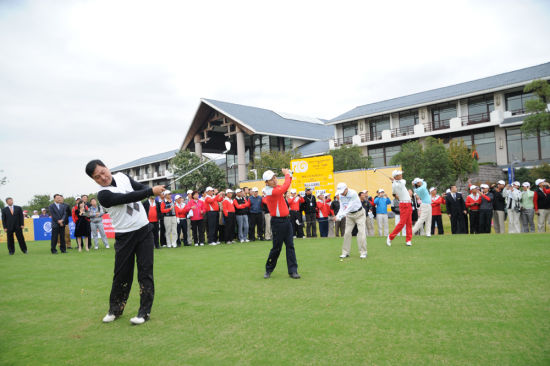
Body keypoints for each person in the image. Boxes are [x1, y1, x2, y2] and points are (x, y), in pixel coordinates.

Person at [86, 159, 161, 325]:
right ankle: (115, 309)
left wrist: (151, 191)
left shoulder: (122, 177)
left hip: (144, 231)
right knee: (121, 274)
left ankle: (144, 312)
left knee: (145, 272)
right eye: (97, 177)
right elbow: (127, 197)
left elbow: (139, 188)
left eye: (103, 172)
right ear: (94, 180)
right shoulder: (103, 195)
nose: (103, 177)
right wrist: (150, 191)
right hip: (124, 236)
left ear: (107, 167)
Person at [262, 169, 300, 279]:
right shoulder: (270, 191)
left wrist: (290, 175)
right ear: (267, 182)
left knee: (290, 246)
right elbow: (286, 186)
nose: (274, 180)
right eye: (271, 179)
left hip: (286, 221)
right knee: (276, 248)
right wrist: (287, 174)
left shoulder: (276, 188)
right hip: (277, 222)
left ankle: (293, 271)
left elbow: (286, 185)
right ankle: (268, 269)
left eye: (274, 177)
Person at [334, 183, 368, 259]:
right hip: (350, 215)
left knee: (361, 233)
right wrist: (337, 216)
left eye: (343, 191)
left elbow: (350, 206)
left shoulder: (353, 193)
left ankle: (363, 252)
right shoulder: (341, 195)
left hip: (359, 214)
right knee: (346, 233)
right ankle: (345, 252)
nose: (342, 193)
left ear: (346, 189)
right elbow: (342, 207)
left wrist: (341, 216)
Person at [387, 170, 413, 247]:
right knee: (402, 223)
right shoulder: (396, 184)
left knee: (409, 223)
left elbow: (402, 183)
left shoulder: (401, 181)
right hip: (403, 204)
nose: (401, 175)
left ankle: (408, 240)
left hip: (408, 203)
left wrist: (394, 181)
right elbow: (395, 191)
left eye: (401, 174)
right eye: (399, 174)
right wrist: (394, 182)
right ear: (396, 176)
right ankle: (390, 237)